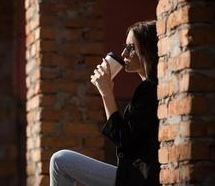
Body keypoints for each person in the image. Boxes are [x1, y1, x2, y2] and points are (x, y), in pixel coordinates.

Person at [49, 20, 160, 186]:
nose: (123, 54)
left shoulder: (150, 89)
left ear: (147, 49)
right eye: (125, 47)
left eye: (131, 48)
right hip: (134, 176)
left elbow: (125, 142)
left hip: (140, 180)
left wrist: (106, 93)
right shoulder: (148, 88)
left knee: (60, 161)